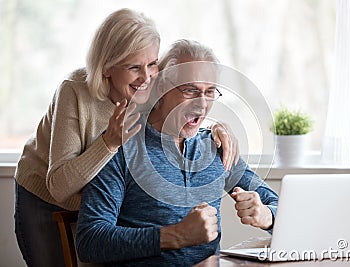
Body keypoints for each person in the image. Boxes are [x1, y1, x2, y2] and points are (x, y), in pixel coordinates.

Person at [14, 9, 239, 267]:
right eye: (134, 67)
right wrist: (109, 143)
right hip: (45, 195)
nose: (147, 77)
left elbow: (182, 107)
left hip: (98, 196)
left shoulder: (149, 85)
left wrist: (214, 129)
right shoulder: (74, 91)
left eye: (153, 63)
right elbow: (59, 186)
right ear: (107, 67)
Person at [76, 39, 278, 266]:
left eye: (210, 92)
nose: (202, 104)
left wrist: (266, 215)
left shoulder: (215, 146)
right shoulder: (122, 146)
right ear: (162, 87)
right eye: (191, 90)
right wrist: (175, 235)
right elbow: (90, 240)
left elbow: (278, 204)